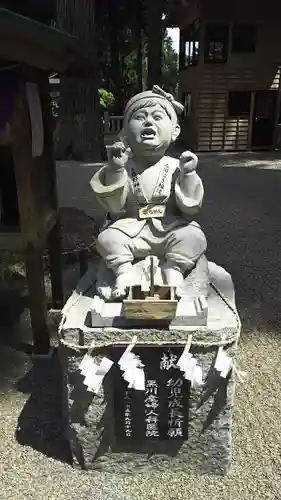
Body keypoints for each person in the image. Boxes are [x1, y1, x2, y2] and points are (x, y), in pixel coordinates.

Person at [90, 86, 207, 299]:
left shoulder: (176, 165)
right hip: (132, 229)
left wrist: (188, 174)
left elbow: (190, 208)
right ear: (125, 133)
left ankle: (174, 270)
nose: (148, 122)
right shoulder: (124, 166)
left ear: (174, 131)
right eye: (140, 117)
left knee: (194, 236)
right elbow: (115, 207)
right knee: (107, 239)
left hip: (169, 226)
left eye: (157, 117)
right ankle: (124, 272)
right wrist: (116, 170)